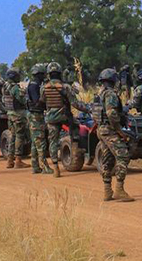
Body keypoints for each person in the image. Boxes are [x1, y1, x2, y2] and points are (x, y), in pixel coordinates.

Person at [93, 69, 134, 202]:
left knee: (108, 159)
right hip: (110, 130)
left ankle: (107, 191)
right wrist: (119, 131)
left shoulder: (100, 94)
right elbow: (111, 114)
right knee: (123, 155)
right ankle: (119, 189)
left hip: (102, 130)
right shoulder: (110, 94)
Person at [42, 61, 90, 178]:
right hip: (65, 116)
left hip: (51, 118)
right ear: (59, 73)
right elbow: (75, 104)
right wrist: (88, 109)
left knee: (53, 141)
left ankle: (56, 168)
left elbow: (42, 101)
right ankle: (75, 153)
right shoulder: (65, 87)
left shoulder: (44, 88)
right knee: (76, 130)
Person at [25, 63, 51, 173]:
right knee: (40, 141)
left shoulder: (33, 84)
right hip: (36, 115)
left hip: (34, 114)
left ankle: (35, 166)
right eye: (43, 74)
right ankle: (44, 167)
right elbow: (37, 101)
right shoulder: (35, 86)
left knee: (35, 142)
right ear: (39, 74)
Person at [1, 68, 29, 169]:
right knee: (19, 137)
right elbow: (22, 101)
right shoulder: (15, 88)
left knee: (12, 137)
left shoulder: (5, 87)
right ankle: (18, 160)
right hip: (18, 115)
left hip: (10, 114)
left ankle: (10, 160)